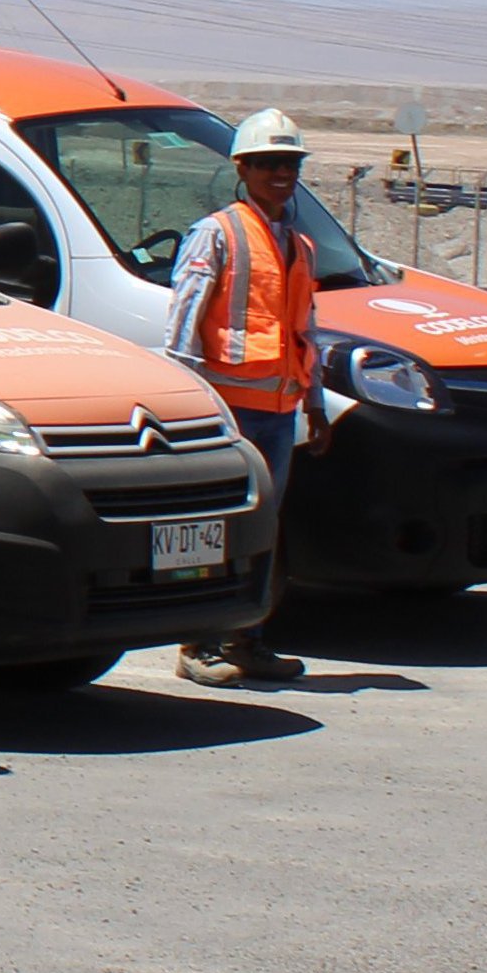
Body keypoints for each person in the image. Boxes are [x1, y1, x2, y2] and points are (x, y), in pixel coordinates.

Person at [165, 109, 321, 688]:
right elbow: (184, 318)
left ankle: (248, 638)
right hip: (228, 412)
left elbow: (307, 328)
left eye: (290, 163)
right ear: (242, 167)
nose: (281, 173)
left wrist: (317, 404)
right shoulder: (218, 233)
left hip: (279, 414)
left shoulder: (298, 243)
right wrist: (187, 401)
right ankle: (198, 642)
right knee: (216, 527)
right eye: (268, 163)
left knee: (262, 532)